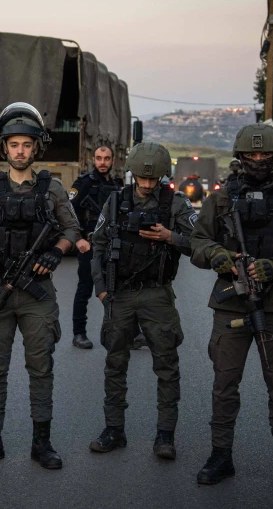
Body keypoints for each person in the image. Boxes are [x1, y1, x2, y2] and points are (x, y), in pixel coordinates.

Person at [189, 124, 273, 492]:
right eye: (252, 155)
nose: (259, 161)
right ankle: (221, 456)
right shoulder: (221, 198)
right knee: (224, 384)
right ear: (240, 157)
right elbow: (198, 241)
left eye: (265, 155)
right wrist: (216, 254)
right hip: (231, 304)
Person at [0, 102, 81, 470]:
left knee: (40, 368)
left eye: (27, 144)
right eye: (14, 144)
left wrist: (57, 252)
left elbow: (73, 229)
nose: (20, 151)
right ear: (4, 147)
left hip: (37, 297)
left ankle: (41, 443)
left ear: (36, 147)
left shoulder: (52, 189)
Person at [89, 142, 196, 460]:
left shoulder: (175, 204)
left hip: (157, 294)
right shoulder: (115, 201)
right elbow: (98, 244)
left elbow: (200, 244)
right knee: (114, 364)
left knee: (166, 366)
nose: (147, 185)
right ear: (133, 173)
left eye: (153, 180)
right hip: (119, 294)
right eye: (142, 179)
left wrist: (170, 237)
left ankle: (165, 435)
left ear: (163, 176)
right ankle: (114, 430)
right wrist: (101, 288)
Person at [68, 146, 123, 349]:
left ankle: (123, 333)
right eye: (99, 158)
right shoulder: (84, 183)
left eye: (106, 158)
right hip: (89, 245)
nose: (102, 162)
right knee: (85, 288)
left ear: (113, 160)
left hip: (111, 244)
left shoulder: (117, 184)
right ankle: (79, 333)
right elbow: (68, 212)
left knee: (117, 289)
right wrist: (78, 239)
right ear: (93, 159)